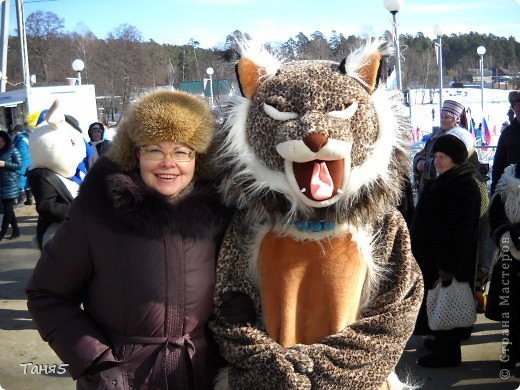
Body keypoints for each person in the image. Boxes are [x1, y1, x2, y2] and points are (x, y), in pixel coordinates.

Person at [26, 89, 230, 389]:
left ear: (198, 158)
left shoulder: (219, 213)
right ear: (136, 154)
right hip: (123, 379)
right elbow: (47, 295)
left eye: (182, 151)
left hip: (201, 375)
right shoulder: (96, 211)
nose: (168, 163)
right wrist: (95, 362)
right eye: (154, 150)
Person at [411, 131, 481, 368]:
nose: (436, 161)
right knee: (438, 300)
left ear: (456, 159)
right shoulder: (446, 179)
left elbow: (458, 230)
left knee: (448, 300)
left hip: (448, 259)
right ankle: (442, 342)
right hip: (436, 256)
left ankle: (448, 352)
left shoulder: (462, 184)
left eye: (442, 157)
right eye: (435, 156)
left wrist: (447, 265)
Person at [26, 104, 86, 250]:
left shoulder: (61, 173)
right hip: (55, 233)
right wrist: (79, 212)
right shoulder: (42, 175)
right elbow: (46, 206)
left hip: (70, 229)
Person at [486, 160, 520, 370]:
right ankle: (513, 349)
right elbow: (495, 214)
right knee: (512, 310)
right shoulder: (506, 180)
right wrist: (506, 236)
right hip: (509, 255)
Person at [413, 99, 467, 197]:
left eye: (446, 117)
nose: (442, 120)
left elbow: (448, 163)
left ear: (456, 119)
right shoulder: (436, 135)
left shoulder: (457, 138)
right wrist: (418, 161)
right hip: (428, 186)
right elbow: (423, 152)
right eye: (441, 117)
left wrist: (425, 165)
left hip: (444, 187)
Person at [491, 90, 520, 195]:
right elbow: (498, 165)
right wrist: (495, 191)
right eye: (517, 105)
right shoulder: (507, 134)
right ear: (513, 108)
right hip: (511, 192)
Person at [0, 130, 22, 241]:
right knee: (9, 210)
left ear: (6, 141)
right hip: (1, 184)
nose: (0, 143)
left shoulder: (13, 150)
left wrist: (5, 164)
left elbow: (19, 165)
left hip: (10, 183)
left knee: (7, 209)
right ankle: (16, 231)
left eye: (2, 141)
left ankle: (2, 233)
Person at [11, 124, 33, 205]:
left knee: (20, 182)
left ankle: (20, 200)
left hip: (22, 164)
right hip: (28, 163)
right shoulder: (27, 138)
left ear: (17, 131)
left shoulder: (20, 139)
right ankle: (29, 199)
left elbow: (20, 155)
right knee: (27, 182)